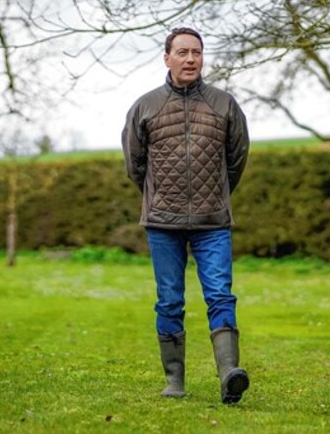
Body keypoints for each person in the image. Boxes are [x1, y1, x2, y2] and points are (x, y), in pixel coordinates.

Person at [122, 27, 250, 404]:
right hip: (163, 223)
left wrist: (215, 196)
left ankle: (229, 374)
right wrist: (159, 196)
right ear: (167, 58)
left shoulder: (224, 104)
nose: (191, 58)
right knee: (169, 302)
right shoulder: (145, 107)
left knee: (220, 295)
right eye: (182, 52)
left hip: (214, 224)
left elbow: (237, 160)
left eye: (196, 52)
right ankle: (174, 379)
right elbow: (135, 163)